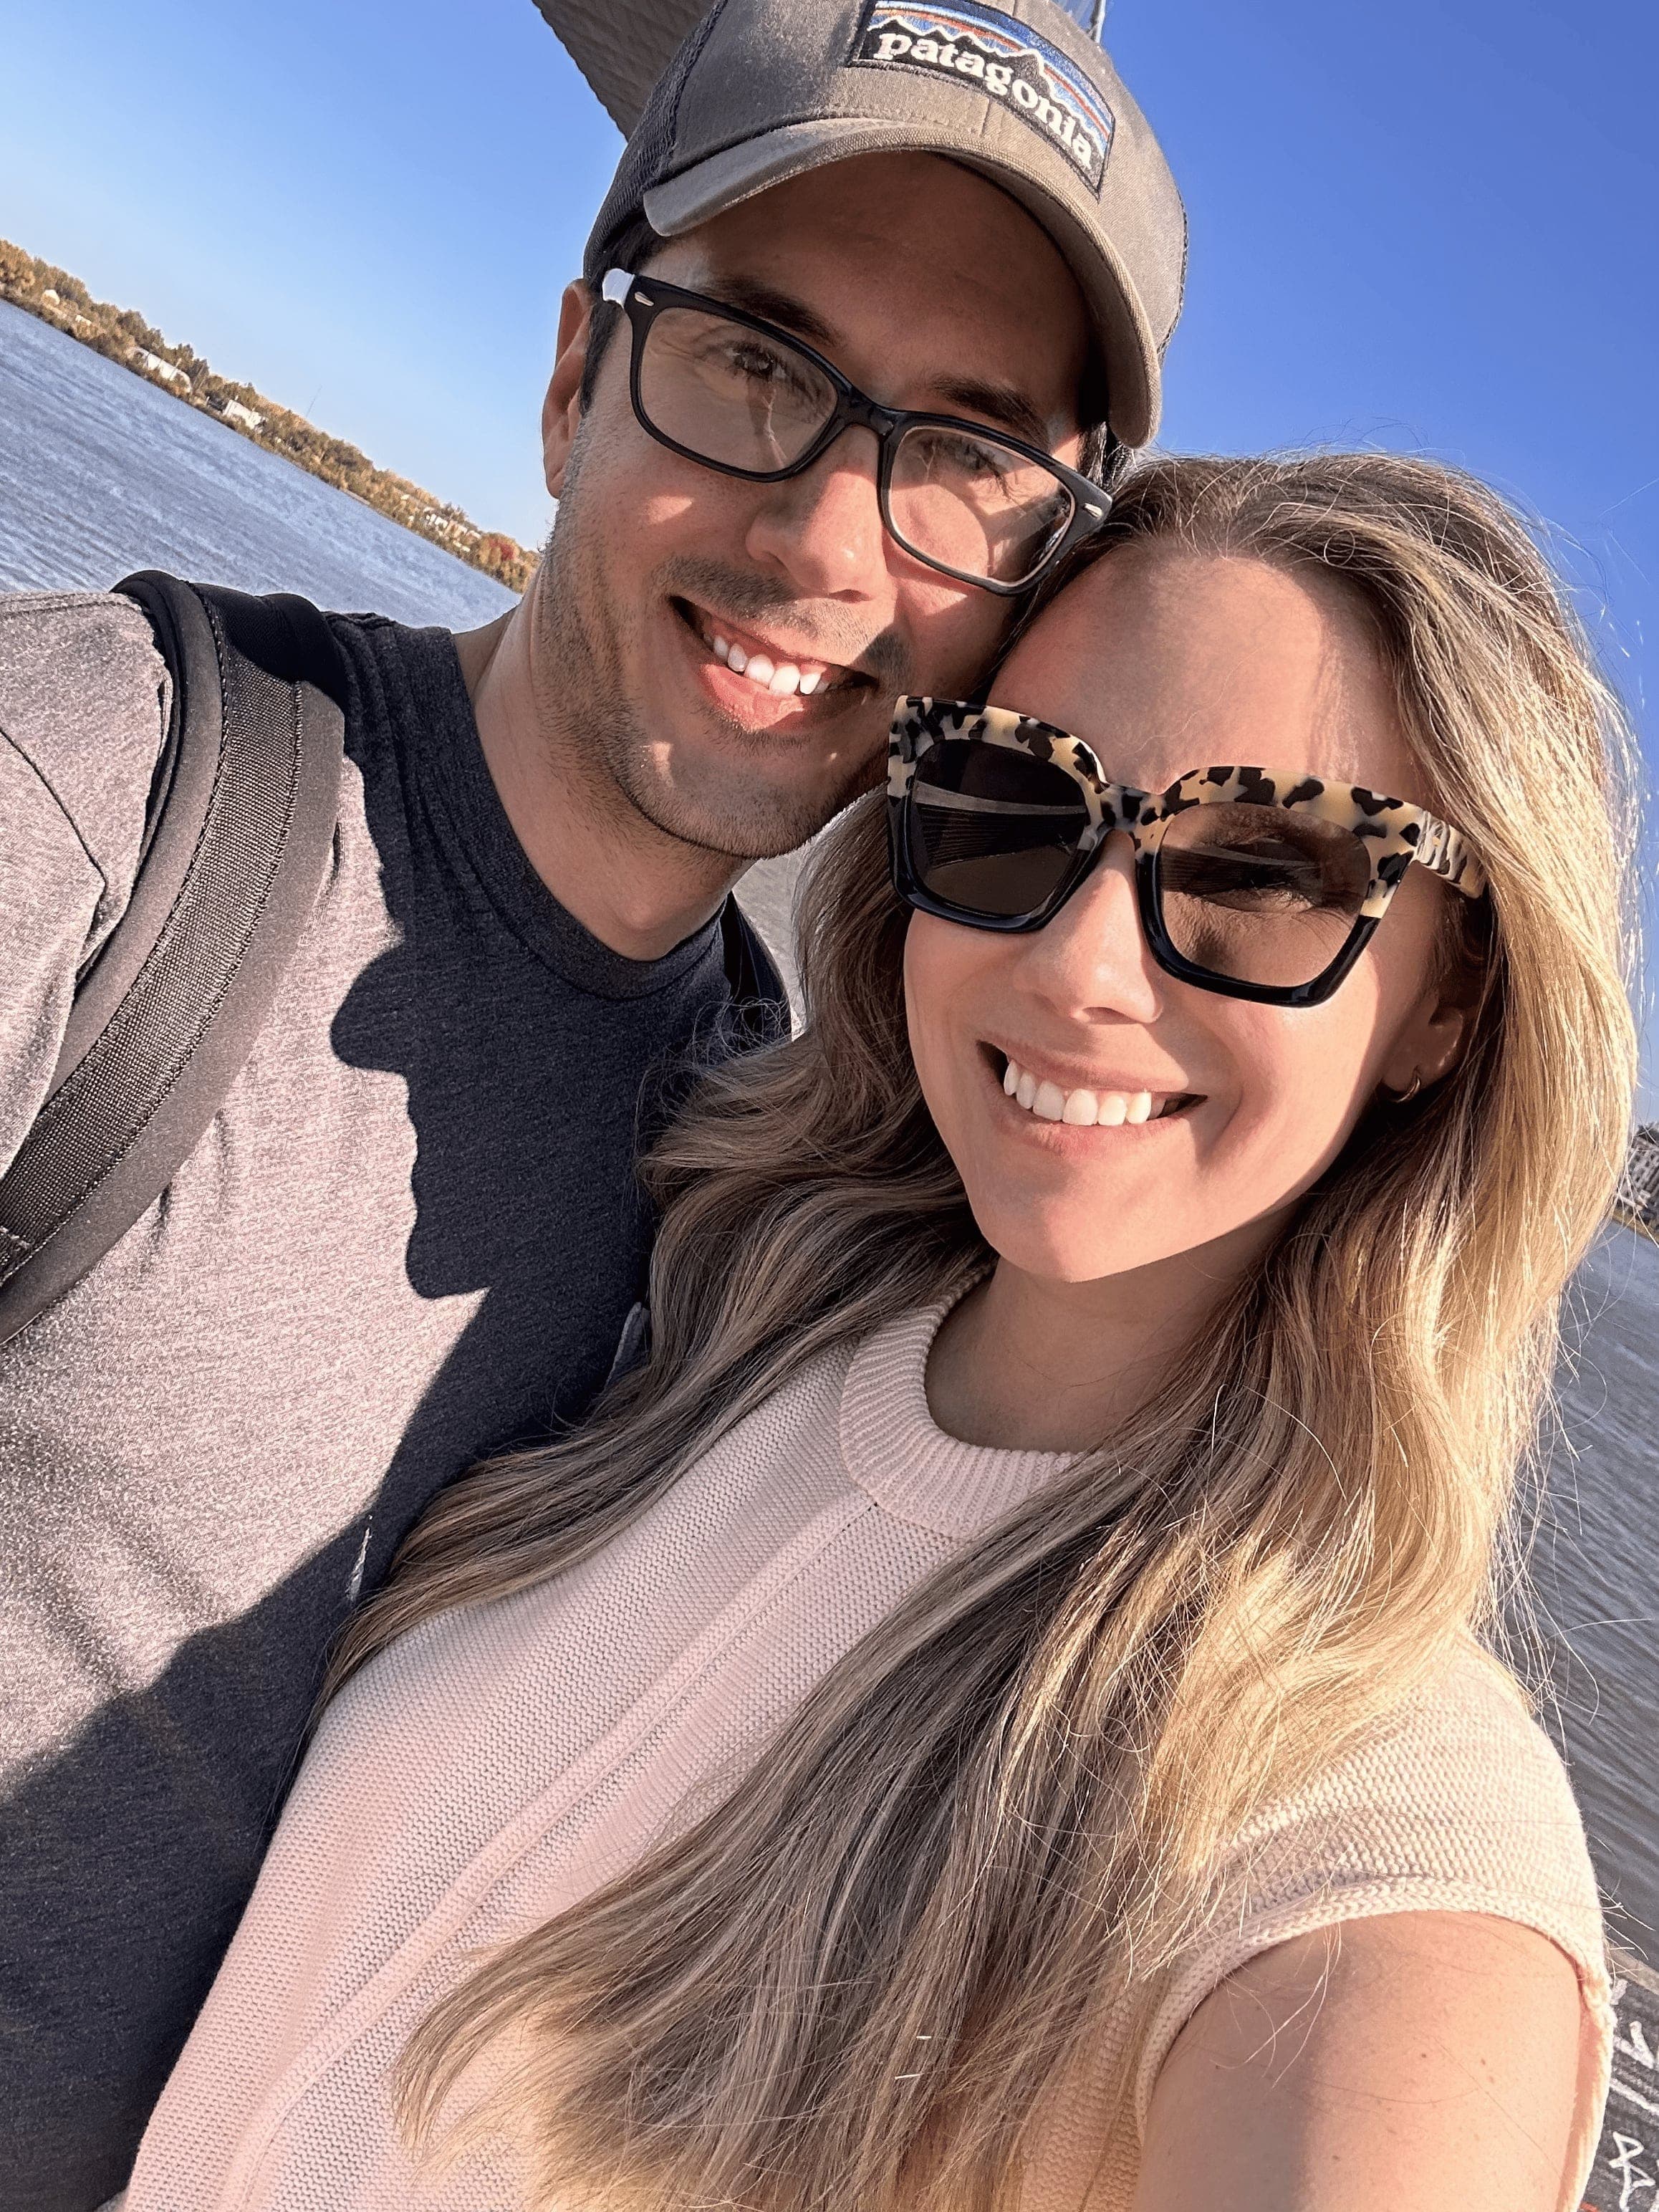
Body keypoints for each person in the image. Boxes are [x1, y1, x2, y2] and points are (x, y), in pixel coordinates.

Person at [122, 450, 1635, 2211]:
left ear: (1454, 994)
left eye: (1265, 865)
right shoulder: (721, 1299)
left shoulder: (1361, 1822)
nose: (1079, 963)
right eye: (1014, 797)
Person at [0, 3, 1186, 2203]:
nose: (827, 545)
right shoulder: (90, 800)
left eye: (961, 456)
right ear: (574, 377)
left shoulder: (771, 1178)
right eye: (753, 362)